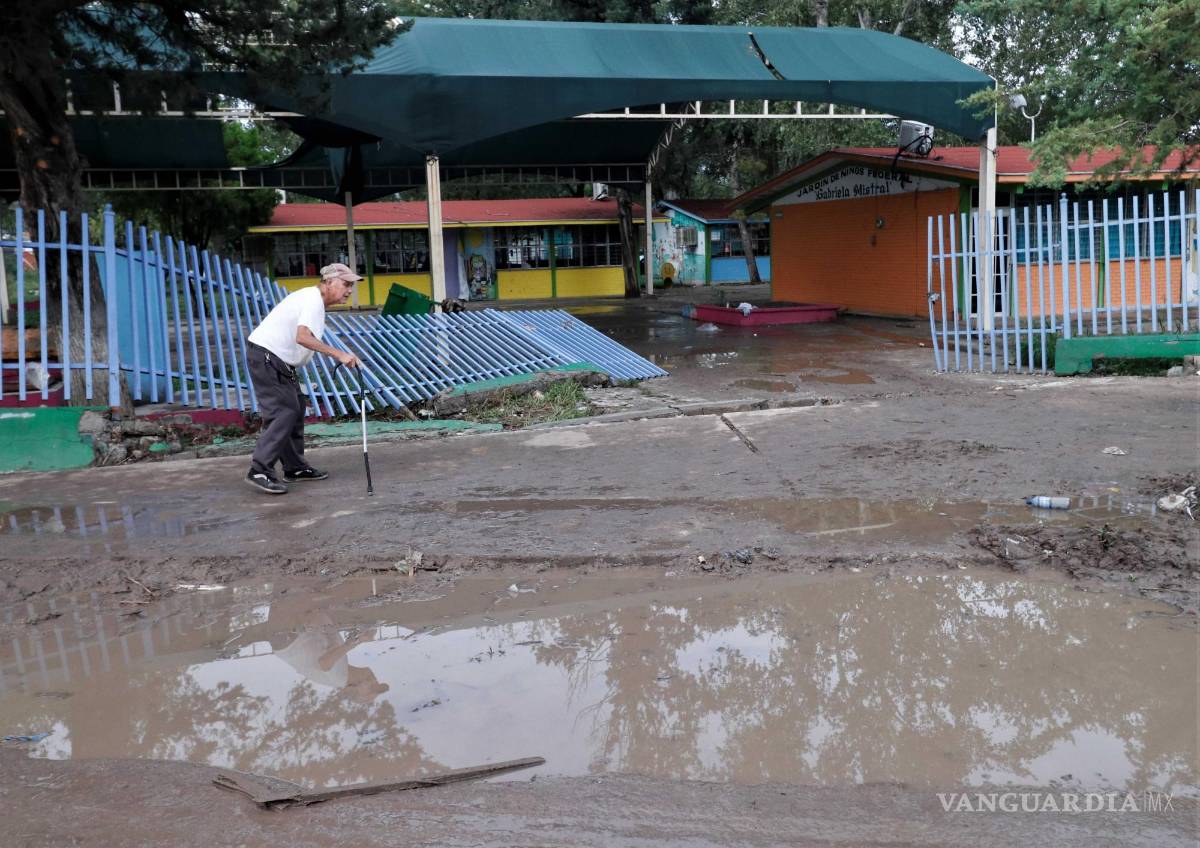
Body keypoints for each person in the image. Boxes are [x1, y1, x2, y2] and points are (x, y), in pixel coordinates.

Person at [243, 263, 362, 494]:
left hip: (275, 360)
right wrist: (339, 353)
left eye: (351, 286)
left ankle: (295, 468)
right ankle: (259, 470)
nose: (349, 290)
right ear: (328, 282)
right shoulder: (313, 300)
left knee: (295, 407)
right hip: (267, 356)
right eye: (345, 284)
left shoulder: (314, 300)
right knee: (283, 412)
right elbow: (303, 337)